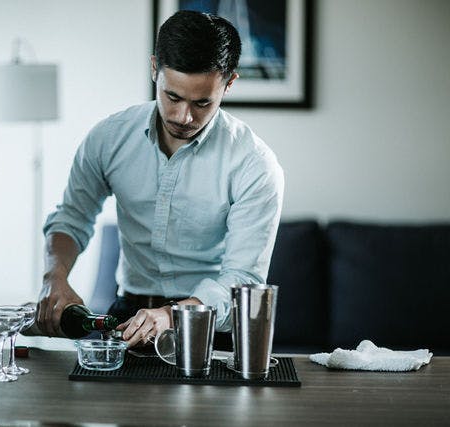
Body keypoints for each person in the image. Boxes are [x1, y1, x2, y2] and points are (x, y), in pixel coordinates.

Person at [36, 10, 284, 349]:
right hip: (128, 313)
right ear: (155, 68)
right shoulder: (108, 138)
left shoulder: (255, 164)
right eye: (173, 97)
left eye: (202, 103)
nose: (184, 116)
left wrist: (173, 315)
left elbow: (243, 280)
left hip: (208, 325)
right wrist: (55, 277)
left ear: (229, 84)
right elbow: (71, 218)